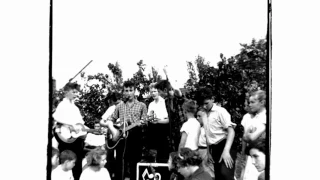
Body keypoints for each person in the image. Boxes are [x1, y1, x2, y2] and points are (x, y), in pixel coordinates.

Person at [101, 80, 148, 180]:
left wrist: (142, 123)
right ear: (123, 92)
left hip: (135, 136)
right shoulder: (119, 106)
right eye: (126, 90)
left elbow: (145, 121)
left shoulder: (142, 105)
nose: (128, 92)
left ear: (134, 91)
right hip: (121, 137)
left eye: (131, 90)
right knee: (120, 161)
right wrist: (113, 128)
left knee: (134, 162)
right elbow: (111, 119)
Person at [196, 87, 237, 180]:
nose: (205, 106)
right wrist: (208, 151)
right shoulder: (204, 114)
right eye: (202, 104)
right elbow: (208, 133)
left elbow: (231, 131)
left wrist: (226, 151)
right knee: (218, 176)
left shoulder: (220, 111)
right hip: (214, 148)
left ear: (212, 99)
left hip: (225, 145)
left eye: (206, 103)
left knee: (226, 174)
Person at [52, 82, 88, 180]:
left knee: (77, 162)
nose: (76, 94)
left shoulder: (75, 108)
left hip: (76, 139)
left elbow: (81, 123)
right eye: (74, 92)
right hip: (65, 138)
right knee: (66, 160)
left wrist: (89, 130)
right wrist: (70, 124)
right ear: (67, 92)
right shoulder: (62, 104)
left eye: (77, 92)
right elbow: (56, 117)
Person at [154, 79, 186, 153]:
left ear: (165, 90)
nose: (158, 94)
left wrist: (171, 89)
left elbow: (178, 92)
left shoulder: (177, 97)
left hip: (183, 131)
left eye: (159, 91)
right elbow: (170, 119)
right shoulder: (166, 102)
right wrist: (158, 121)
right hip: (174, 133)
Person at [241, 90, 266, 180]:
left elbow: (250, 137)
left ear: (262, 102)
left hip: (260, 156)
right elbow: (245, 137)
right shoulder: (254, 117)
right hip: (252, 154)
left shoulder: (265, 116)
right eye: (249, 102)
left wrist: (248, 135)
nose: (250, 105)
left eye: (252, 102)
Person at [146, 82, 170, 163]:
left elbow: (168, 120)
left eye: (155, 91)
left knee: (163, 155)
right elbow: (148, 117)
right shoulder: (151, 104)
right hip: (153, 131)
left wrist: (158, 121)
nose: (153, 94)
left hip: (163, 131)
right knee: (152, 154)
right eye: (151, 92)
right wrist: (149, 119)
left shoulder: (164, 102)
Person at [196, 108, 215, 178]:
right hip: (199, 150)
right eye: (196, 116)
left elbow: (208, 141)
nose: (197, 118)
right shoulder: (199, 128)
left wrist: (208, 152)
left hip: (205, 150)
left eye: (199, 116)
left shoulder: (207, 128)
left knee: (207, 168)